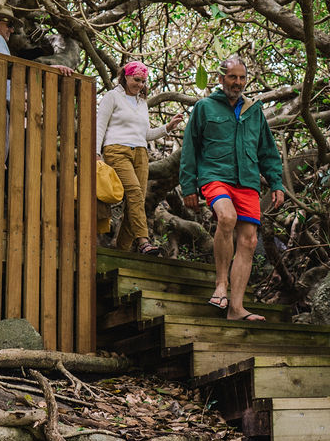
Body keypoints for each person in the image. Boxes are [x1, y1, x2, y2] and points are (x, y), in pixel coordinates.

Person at [179, 56, 284, 321]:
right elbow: (190, 149)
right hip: (215, 175)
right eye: (232, 77)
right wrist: (189, 185)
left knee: (249, 241)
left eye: (242, 78)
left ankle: (236, 308)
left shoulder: (253, 111)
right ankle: (220, 285)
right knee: (226, 217)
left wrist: (276, 183)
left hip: (247, 181)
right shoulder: (204, 107)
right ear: (220, 78)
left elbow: (267, 151)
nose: (237, 83)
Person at [96, 61, 184, 255]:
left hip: (141, 154)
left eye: (143, 81)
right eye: (136, 80)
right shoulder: (112, 97)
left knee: (136, 202)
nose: (140, 85)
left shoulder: (142, 103)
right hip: (117, 150)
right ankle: (144, 241)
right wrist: (96, 153)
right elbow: (99, 126)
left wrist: (167, 128)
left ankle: (122, 250)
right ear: (125, 76)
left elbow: (145, 134)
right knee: (134, 192)